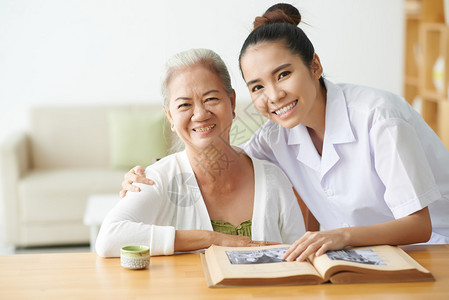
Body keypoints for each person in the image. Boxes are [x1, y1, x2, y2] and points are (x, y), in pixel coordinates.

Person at [120, 3, 449, 261]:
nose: (273, 96)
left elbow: (419, 226)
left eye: (283, 74)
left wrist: (338, 236)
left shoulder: (379, 116)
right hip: (363, 258)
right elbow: (221, 159)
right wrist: (151, 172)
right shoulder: (275, 138)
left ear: (315, 66)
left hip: (435, 251)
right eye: (258, 86)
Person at [95, 48, 306, 257]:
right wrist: (212, 239)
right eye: (185, 104)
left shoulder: (273, 178)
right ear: (170, 116)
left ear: (232, 102)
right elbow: (108, 238)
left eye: (211, 99)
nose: (200, 114)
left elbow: (299, 259)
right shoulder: (157, 179)